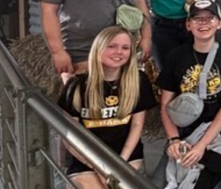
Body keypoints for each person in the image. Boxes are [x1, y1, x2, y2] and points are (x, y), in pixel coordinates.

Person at [58, 26, 157, 188]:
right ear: (98, 48)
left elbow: (137, 126)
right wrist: (100, 168)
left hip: (126, 156)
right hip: (86, 160)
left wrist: (118, 165)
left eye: (125, 48)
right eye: (111, 46)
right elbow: (70, 137)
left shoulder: (138, 81)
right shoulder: (77, 85)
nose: (119, 52)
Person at [157, 0, 221, 189]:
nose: (203, 23)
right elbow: (165, 105)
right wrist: (173, 140)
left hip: (215, 133)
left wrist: (202, 146)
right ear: (188, 24)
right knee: (160, 181)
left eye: (209, 18)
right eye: (197, 19)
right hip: (183, 133)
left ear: (219, 23)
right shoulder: (176, 56)